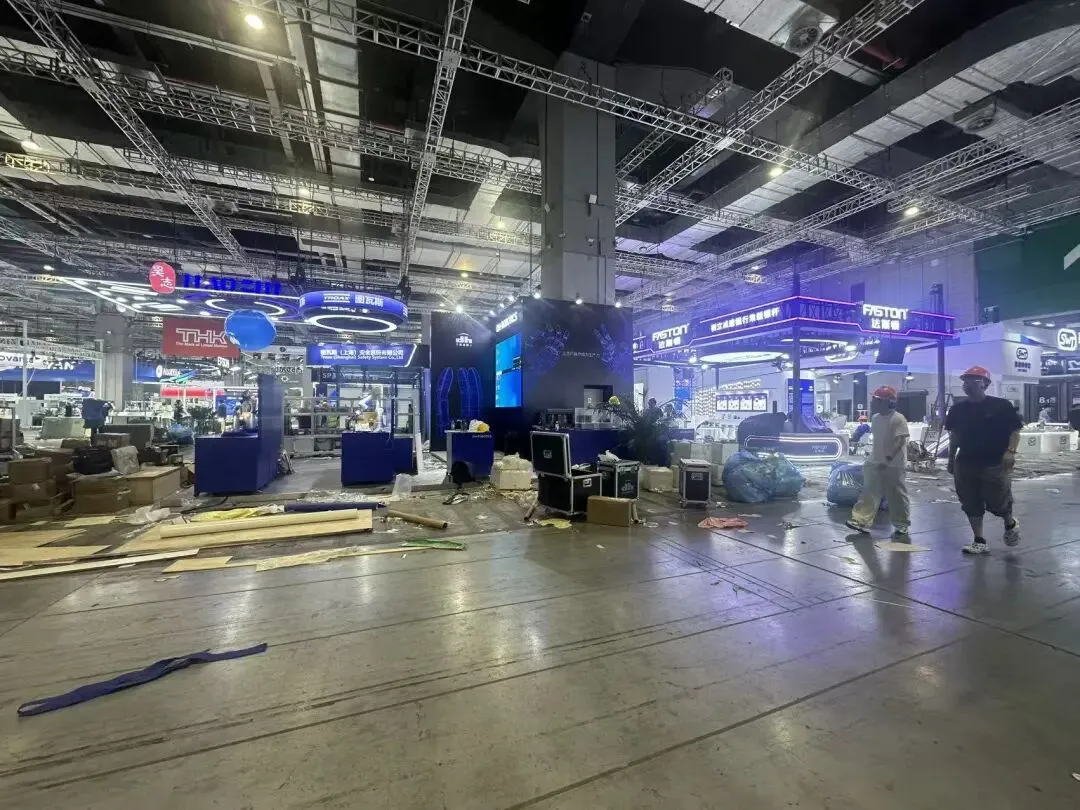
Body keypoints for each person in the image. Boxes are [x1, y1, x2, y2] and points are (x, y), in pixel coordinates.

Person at [945, 366, 1023, 555]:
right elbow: (954, 436)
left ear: (985, 384)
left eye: (973, 380)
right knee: (969, 501)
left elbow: (1015, 431)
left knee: (998, 501)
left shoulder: (1001, 406)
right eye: (965, 381)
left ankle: (1009, 522)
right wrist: (951, 458)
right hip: (965, 462)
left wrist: (1011, 452)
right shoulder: (957, 410)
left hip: (994, 462)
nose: (968, 384)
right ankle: (979, 540)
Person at [846, 386, 910, 538]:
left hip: (894, 464)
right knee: (869, 492)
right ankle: (861, 521)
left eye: (877, 400)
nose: (873, 403)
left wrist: (888, 458)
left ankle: (901, 524)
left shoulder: (898, 419)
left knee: (896, 495)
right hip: (874, 462)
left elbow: (900, 441)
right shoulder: (875, 418)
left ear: (888, 402)